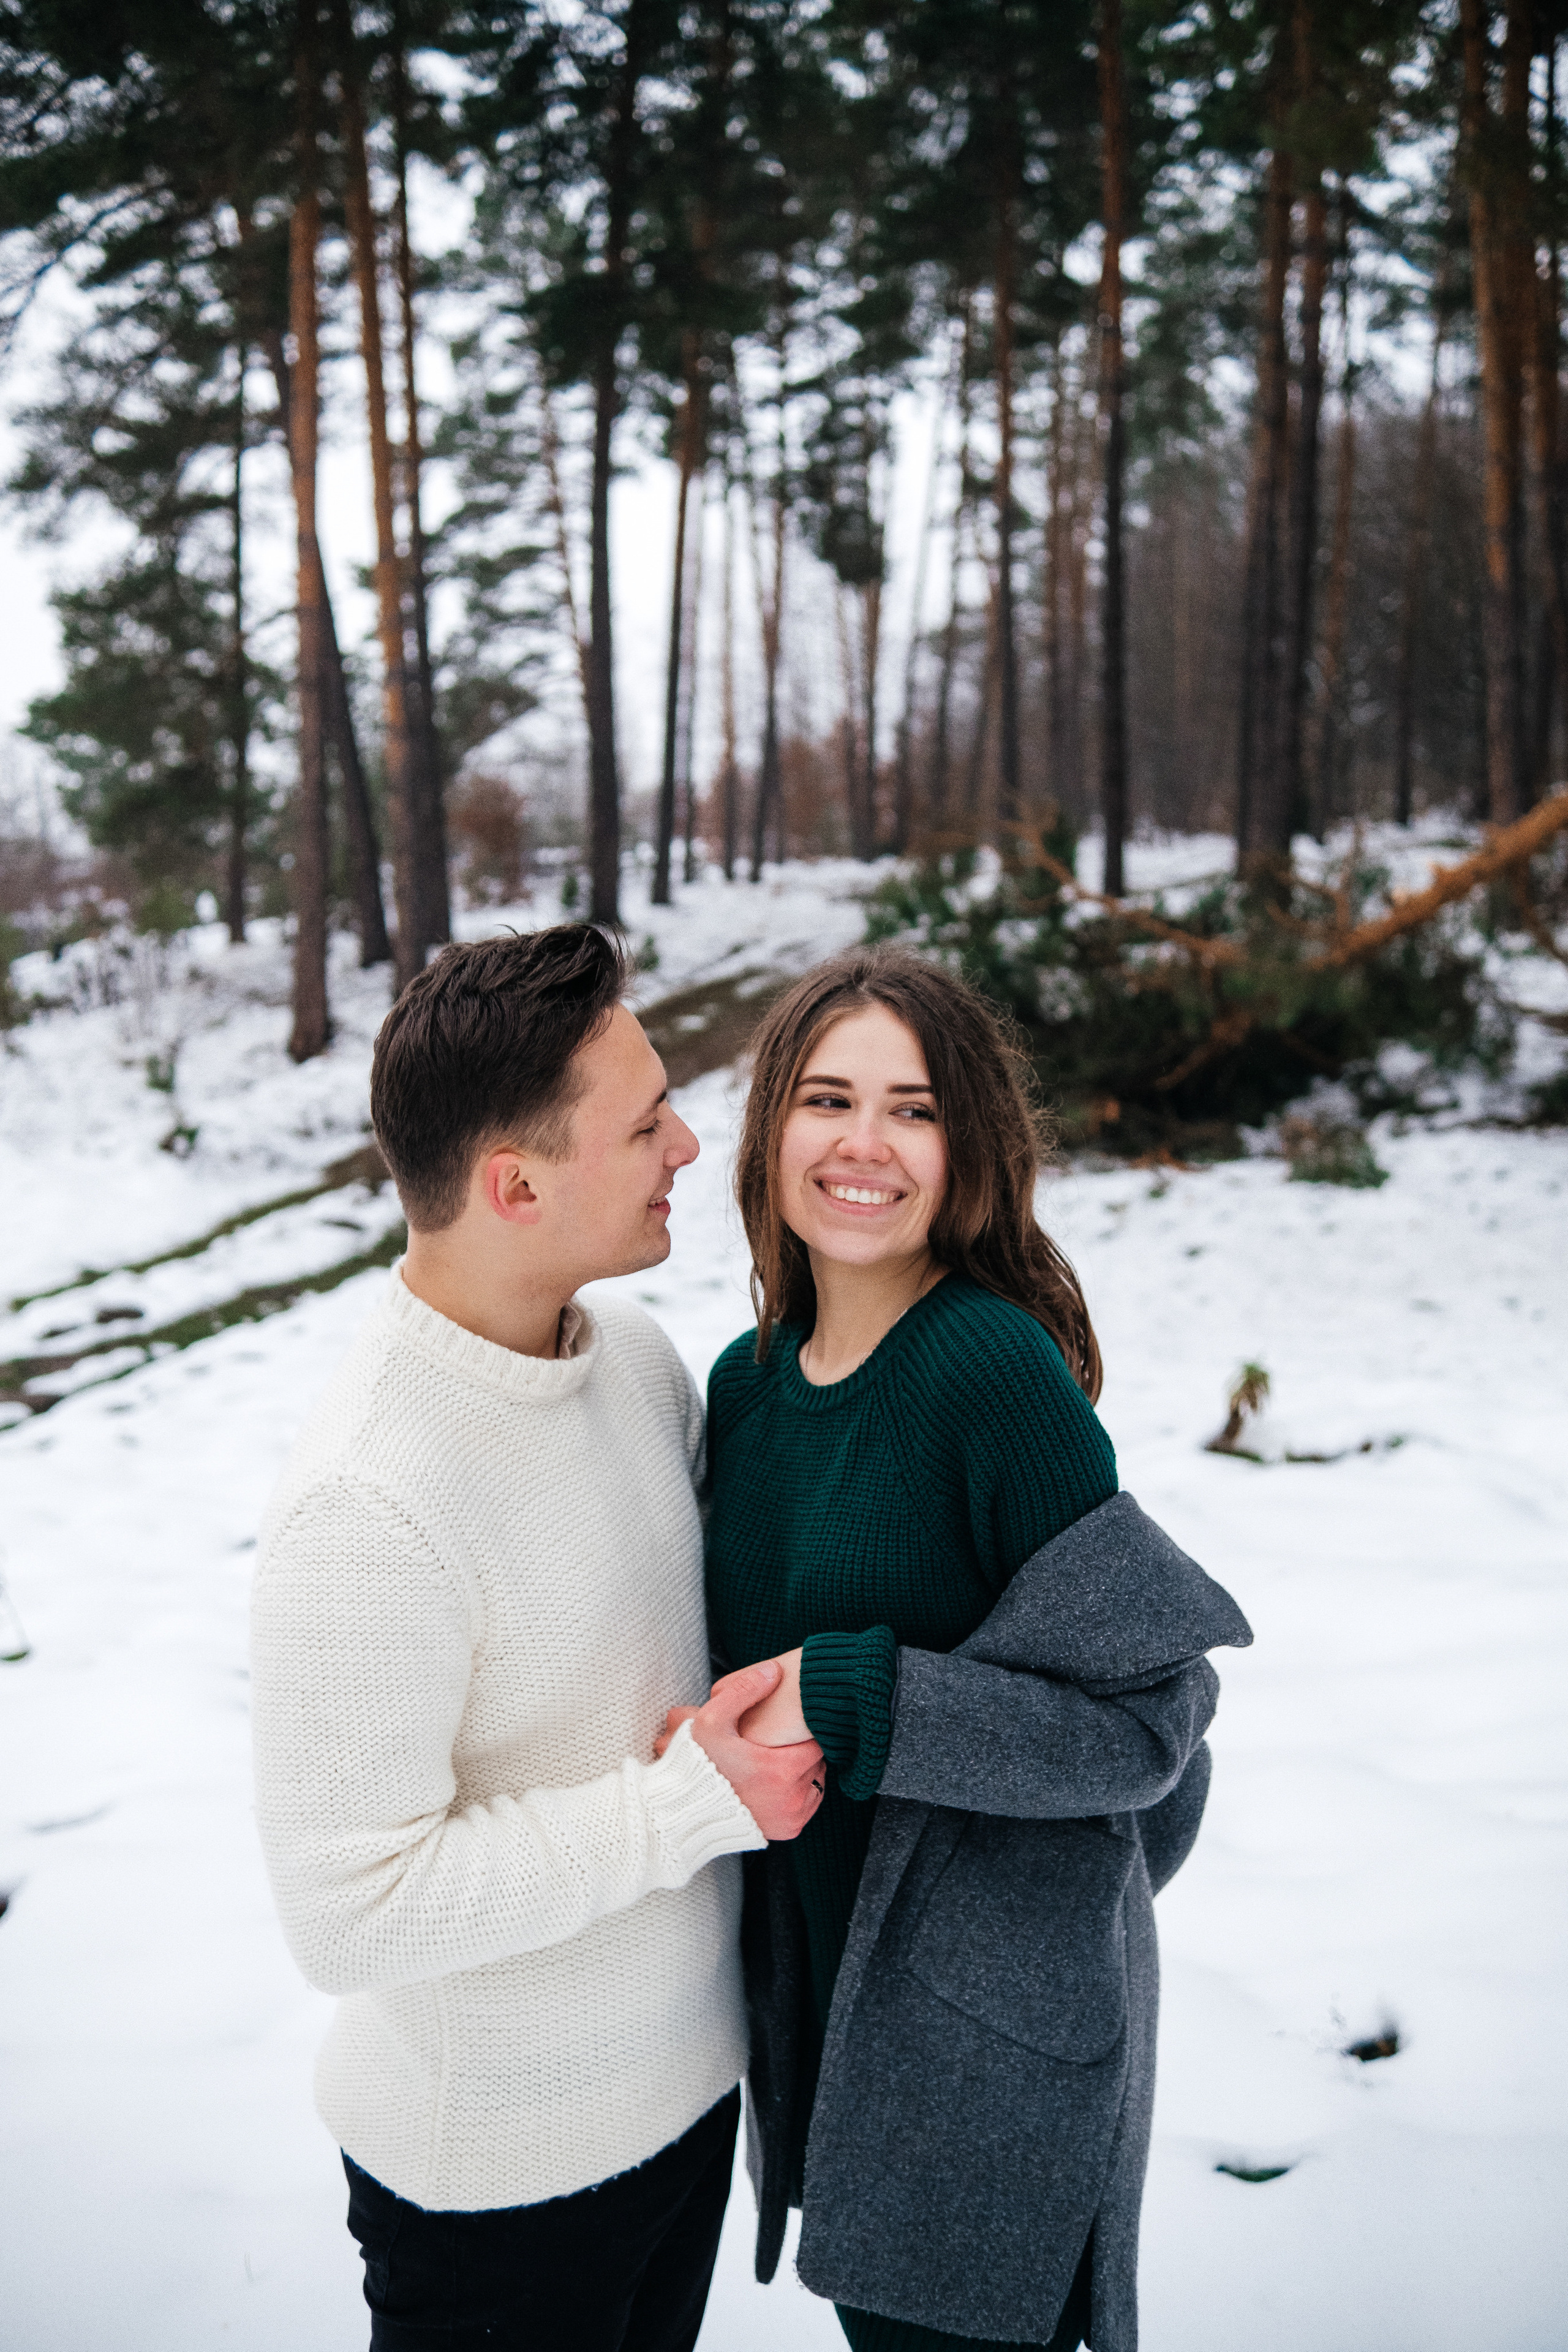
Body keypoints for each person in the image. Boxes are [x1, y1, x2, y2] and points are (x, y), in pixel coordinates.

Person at [665, 946, 1251, 2352]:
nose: (864, 1145)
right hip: (820, 2007)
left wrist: (870, 1707)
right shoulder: (747, 1387)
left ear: (966, 1145)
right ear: (770, 1135)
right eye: (826, 1100)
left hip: (982, 2044)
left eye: (914, 1109)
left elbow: (1147, 1719)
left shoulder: (987, 1372)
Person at [249, 923, 826, 2352]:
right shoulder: (367, 1505)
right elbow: (350, 1911)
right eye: (643, 1124)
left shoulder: (632, 1365)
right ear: (514, 1184)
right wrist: (678, 1810)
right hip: (497, 2193)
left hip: (686, 2112)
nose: (690, 1145)